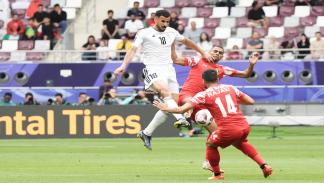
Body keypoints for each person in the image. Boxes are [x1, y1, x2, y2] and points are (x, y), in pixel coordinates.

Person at [114, 9, 213, 150]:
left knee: (169, 106)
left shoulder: (171, 32)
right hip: (152, 68)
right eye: (163, 21)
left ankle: (146, 133)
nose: (165, 24)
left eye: (168, 21)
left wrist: (203, 52)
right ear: (155, 19)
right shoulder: (144, 33)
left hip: (169, 70)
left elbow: (187, 42)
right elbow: (132, 50)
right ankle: (181, 119)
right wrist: (123, 65)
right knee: (165, 92)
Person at [153, 69, 272, 180]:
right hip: (244, 126)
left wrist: (165, 108)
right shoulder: (231, 88)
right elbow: (251, 101)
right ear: (218, 79)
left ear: (203, 81)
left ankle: (217, 174)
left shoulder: (203, 94)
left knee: (211, 144)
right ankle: (264, 166)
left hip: (229, 129)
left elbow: (181, 110)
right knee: (241, 143)